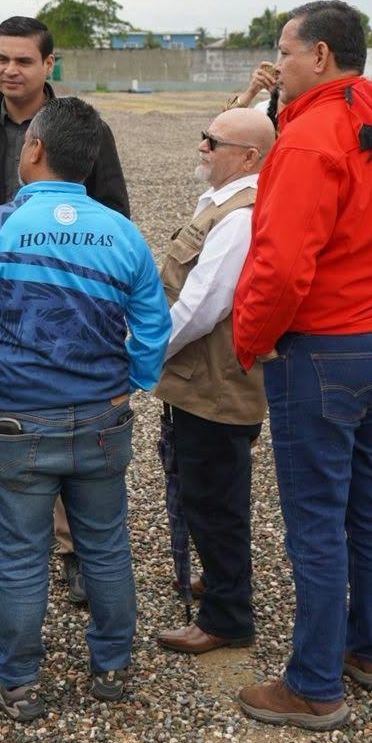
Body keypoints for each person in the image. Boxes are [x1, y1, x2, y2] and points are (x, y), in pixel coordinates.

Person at [231, 0, 372, 730]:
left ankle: (314, 685)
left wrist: (251, 339)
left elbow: (282, 264)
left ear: (319, 55)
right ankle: (370, 650)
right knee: (368, 499)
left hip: (327, 347)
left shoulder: (310, 136)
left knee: (317, 519)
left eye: (285, 52)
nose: (279, 65)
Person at [0, 97, 171, 721]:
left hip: (17, 418)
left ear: (35, 148)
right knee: (106, 544)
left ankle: (15, 679)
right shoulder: (121, 232)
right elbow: (155, 324)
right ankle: (112, 666)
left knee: (21, 555)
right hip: (102, 417)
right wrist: (133, 382)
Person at [0, 16, 131, 604]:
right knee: (19, 453)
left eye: (23, 60)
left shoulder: (83, 129)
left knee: (75, 443)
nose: (9, 70)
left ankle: (75, 553)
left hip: (70, 321)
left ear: (49, 65)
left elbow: (116, 213)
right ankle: (24, 558)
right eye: (1, 58)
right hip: (0, 323)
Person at [154, 108, 276, 655]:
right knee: (205, 492)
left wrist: (141, 355)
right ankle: (222, 581)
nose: (202, 147)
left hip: (215, 387)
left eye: (213, 141)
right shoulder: (223, 201)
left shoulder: (241, 217)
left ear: (248, 157)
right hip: (201, 381)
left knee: (214, 501)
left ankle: (228, 617)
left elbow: (201, 307)